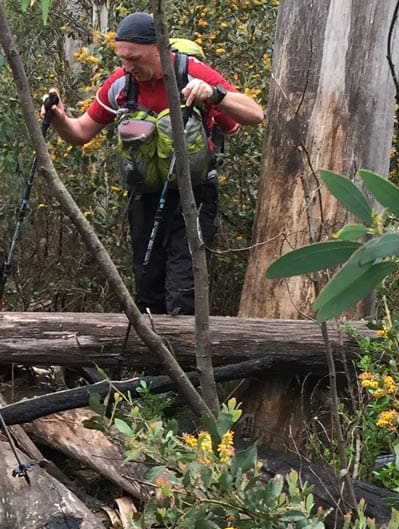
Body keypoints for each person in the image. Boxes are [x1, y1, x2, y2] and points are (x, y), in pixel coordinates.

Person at [47, 12, 264, 315]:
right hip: (146, 194)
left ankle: (185, 359)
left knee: (183, 287)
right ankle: (153, 359)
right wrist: (57, 118)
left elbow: (254, 114)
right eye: (122, 58)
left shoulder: (192, 73)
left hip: (195, 195)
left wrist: (214, 95)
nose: (128, 66)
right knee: (147, 284)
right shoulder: (121, 84)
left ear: (161, 47)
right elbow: (81, 132)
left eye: (134, 58)